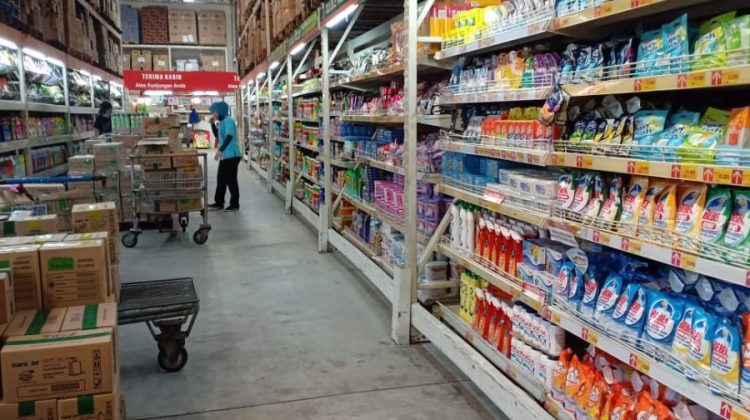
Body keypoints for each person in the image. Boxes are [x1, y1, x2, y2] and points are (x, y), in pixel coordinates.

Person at [208, 101, 242, 212]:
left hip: (232, 155)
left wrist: (220, 150)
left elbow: (229, 136)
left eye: (214, 112)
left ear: (220, 110)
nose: (213, 114)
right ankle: (219, 203)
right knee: (221, 179)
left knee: (231, 180)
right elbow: (217, 135)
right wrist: (212, 124)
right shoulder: (222, 122)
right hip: (226, 156)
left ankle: (235, 204)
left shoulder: (229, 120)